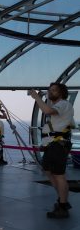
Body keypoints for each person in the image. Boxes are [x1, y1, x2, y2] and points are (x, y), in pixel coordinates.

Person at [30, 83, 74, 218]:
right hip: (52, 144)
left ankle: (62, 205)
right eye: (50, 90)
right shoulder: (58, 105)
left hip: (57, 145)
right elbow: (50, 110)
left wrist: (37, 98)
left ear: (61, 93)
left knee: (58, 175)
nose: (51, 92)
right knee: (49, 172)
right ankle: (62, 199)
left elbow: (48, 111)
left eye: (54, 90)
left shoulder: (64, 104)